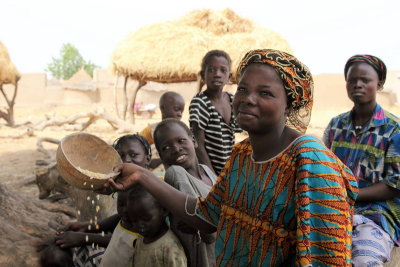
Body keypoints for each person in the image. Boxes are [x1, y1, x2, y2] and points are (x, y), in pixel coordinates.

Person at [106, 49, 359, 266]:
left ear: (290, 105)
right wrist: (141, 174)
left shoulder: (310, 160)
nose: (248, 99)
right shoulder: (243, 154)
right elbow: (207, 215)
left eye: (265, 93)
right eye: (243, 89)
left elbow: (328, 257)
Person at [323, 54, 400, 266]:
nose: (357, 84)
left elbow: (396, 185)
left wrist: (351, 195)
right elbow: (324, 169)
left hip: (378, 213)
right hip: (335, 207)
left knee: (365, 259)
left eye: (365, 80)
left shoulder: (394, 130)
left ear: (379, 84)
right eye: (352, 79)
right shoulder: (336, 126)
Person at [55, 134, 151, 266]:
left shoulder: (148, 193)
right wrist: (89, 226)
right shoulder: (125, 187)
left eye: (134, 155)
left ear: (148, 159)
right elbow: (123, 217)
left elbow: (133, 241)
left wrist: (85, 238)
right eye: (121, 156)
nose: (127, 160)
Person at [153, 118, 218, 267]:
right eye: (166, 148)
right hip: (202, 259)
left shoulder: (207, 171)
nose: (176, 149)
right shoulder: (176, 173)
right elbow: (209, 233)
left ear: (193, 140)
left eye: (181, 140)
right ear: (161, 156)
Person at [189, 50, 241, 175]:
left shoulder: (232, 100)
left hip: (228, 169)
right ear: (203, 75)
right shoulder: (200, 102)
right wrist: (212, 176)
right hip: (208, 171)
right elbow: (198, 146)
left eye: (223, 70)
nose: (217, 74)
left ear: (229, 76)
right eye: (211, 70)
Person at [127, 184, 187, 267]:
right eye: (134, 220)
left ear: (164, 210)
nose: (139, 224)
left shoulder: (170, 249)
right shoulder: (141, 240)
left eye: (146, 219)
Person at [140, 91, 185, 170]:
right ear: (163, 109)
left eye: (182, 111)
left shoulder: (183, 131)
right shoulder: (151, 130)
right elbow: (137, 149)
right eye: (177, 109)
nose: (180, 114)